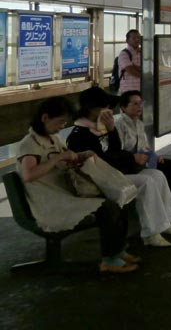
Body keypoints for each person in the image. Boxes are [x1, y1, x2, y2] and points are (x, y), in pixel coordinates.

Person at [17, 96, 138, 274]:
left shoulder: (53, 139)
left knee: (118, 197)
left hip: (65, 192)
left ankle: (118, 250)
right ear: (45, 118)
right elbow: (29, 175)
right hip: (49, 200)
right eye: (59, 122)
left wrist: (82, 155)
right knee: (108, 207)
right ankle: (109, 259)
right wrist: (58, 158)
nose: (61, 127)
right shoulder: (29, 144)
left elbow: (67, 158)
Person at [68, 86, 171, 248]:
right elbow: (102, 160)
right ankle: (151, 232)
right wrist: (131, 159)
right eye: (104, 107)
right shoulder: (80, 134)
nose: (108, 111)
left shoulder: (99, 127)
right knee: (145, 182)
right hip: (99, 179)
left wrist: (111, 130)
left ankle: (167, 221)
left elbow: (115, 149)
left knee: (157, 175)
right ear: (91, 109)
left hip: (111, 173)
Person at [115, 91, 171, 224]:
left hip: (145, 160)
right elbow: (120, 149)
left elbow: (144, 145)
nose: (139, 107)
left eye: (141, 103)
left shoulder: (138, 123)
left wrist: (153, 156)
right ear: (123, 107)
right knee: (166, 172)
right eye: (135, 104)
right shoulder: (119, 124)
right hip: (131, 163)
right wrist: (136, 157)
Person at [116, 29, 142, 95]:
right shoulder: (124, 54)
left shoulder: (143, 53)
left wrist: (135, 66)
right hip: (128, 92)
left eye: (138, 37)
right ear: (127, 40)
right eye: (134, 38)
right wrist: (146, 77)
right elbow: (130, 70)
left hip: (141, 90)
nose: (137, 40)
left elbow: (150, 67)